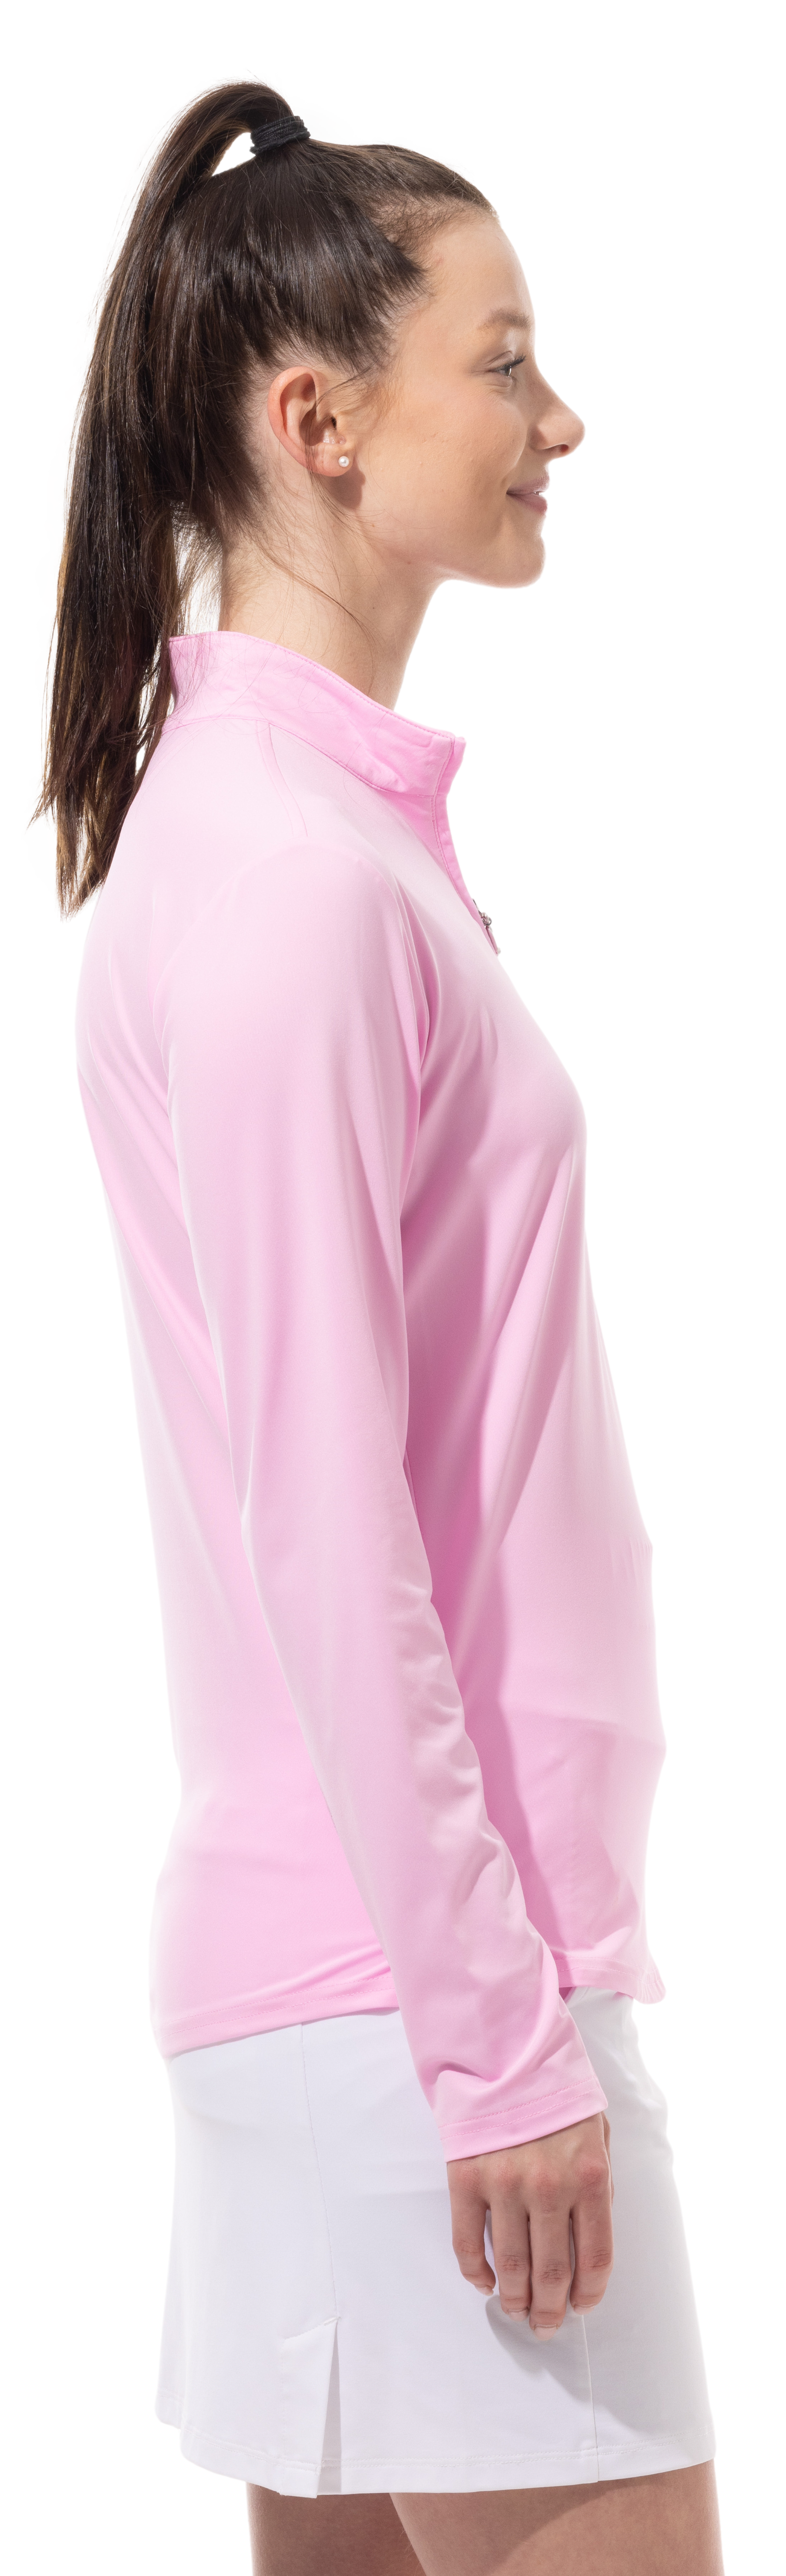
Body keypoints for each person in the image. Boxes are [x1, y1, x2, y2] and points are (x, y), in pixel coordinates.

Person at [35, 76, 723, 2576]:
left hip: (351, 1996)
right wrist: (496, 2043)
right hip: (428, 2007)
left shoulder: (280, 847)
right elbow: (330, 1522)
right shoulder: (294, 884)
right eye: (504, 362)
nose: (561, 420)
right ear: (317, 421)